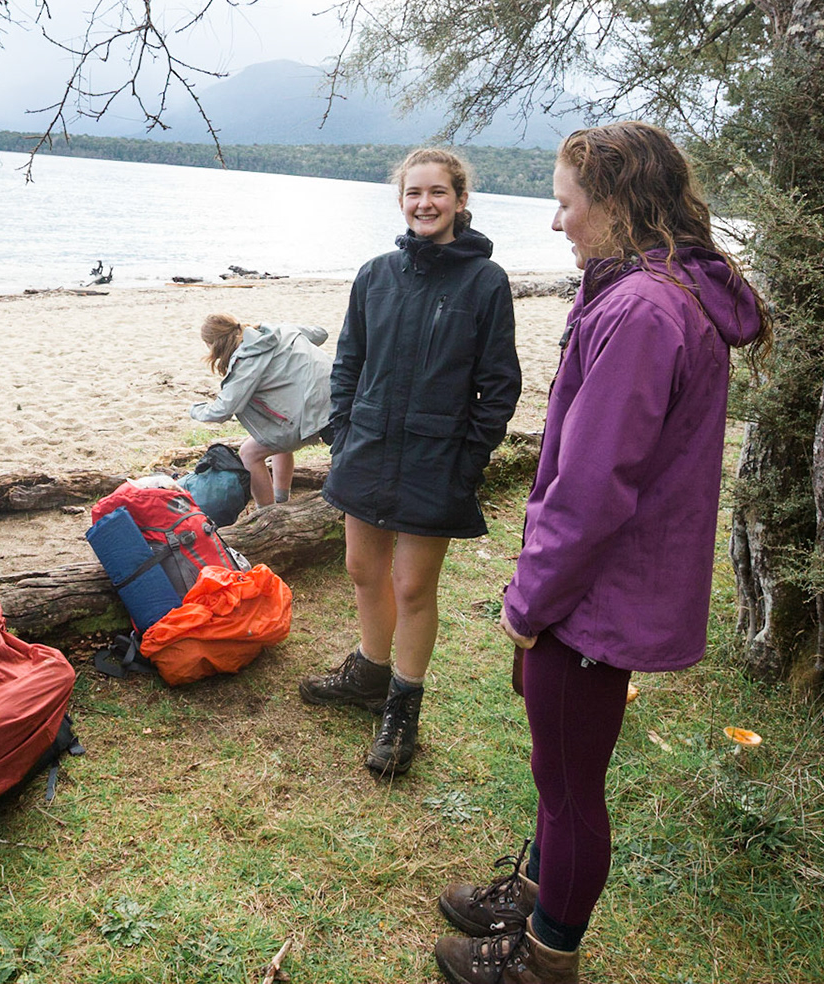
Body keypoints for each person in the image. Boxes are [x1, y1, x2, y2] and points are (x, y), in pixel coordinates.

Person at [432, 122, 768, 984]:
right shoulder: (649, 292)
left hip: (597, 591)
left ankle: (546, 956)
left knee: (572, 786)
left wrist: (528, 605)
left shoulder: (644, 310)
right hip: (607, 582)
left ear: (616, 205)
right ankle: (533, 895)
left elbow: (590, 489)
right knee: (560, 770)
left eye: (566, 203)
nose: (557, 222)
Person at [304, 146, 522, 778]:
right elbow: (348, 363)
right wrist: (344, 435)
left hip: (436, 457)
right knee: (362, 569)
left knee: (413, 587)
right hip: (367, 447)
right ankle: (368, 675)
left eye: (437, 192)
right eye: (414, 193)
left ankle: (403, 707)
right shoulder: (375, 275)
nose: (425, 204)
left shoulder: (485, 282)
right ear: (401, 200)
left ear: (460, 200)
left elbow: (498, 386)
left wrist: (468, 462)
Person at [188, 314, 333, 506]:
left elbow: (221, 411)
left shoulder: (245, 362)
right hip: (337, 394)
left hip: (313, 414)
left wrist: (194, 409)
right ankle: (281, 500)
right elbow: (321, 334)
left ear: (212, 345)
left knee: (249, 453)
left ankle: (267, 512)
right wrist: (275, 326)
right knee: (277, 439)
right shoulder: (276, 330)